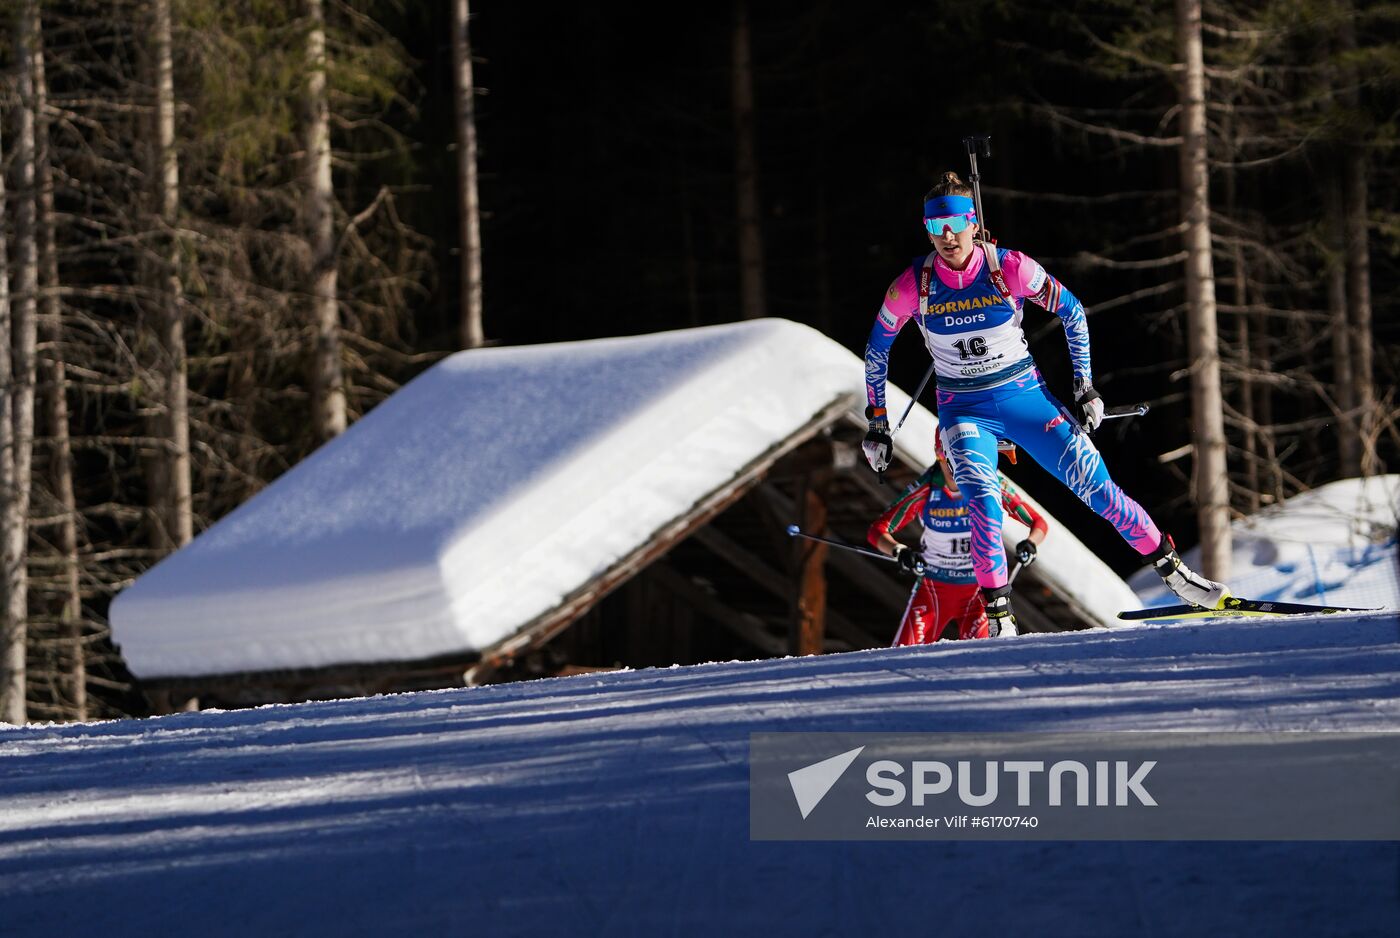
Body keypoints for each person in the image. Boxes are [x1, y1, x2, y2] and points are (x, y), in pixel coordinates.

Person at [860, 171, 1229, 634]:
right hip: (964, 409)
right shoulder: (914, 284)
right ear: (927, 229)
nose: (947, 236)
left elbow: (1072, 311)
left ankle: (1176, 574)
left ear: (973, 222)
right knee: (982, 500)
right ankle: (998, 617)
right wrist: (877, 423)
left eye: (955, 223)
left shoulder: (1008, 267)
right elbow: (877, 348)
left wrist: (1085, 386)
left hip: (1025, 398)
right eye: (936, 227)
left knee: (1099, 491)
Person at [868, 435, 1046, 642]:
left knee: (985, 657)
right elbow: (877, 530)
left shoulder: (990, 483)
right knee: (902, 657)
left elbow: (1038, 522)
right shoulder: (927, 487)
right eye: (948, 462)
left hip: (979, 593)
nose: (955, 471)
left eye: (960, 462)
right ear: (938, 458)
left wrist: (1031, 543)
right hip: (934, 588)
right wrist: (899, 550)